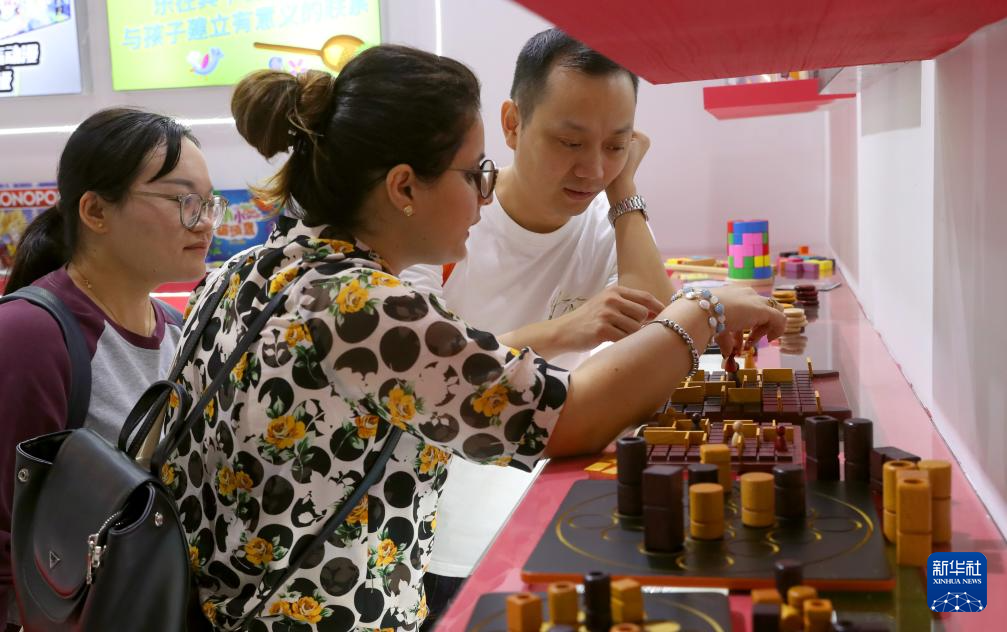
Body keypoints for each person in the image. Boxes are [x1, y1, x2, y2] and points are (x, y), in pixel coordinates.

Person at [166, 44, 784, 631]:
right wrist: (704, 309)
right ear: (405, 188)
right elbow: (564, 416)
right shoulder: (362, 307)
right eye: (473, 175)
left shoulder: (242, 273)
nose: (484, 197)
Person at [398, 28, 672, 619]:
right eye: (570, 141)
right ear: (513, 124)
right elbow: (421, 371)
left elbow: (661, 337)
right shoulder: (444, 222)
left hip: (548, 519)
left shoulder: (609, 221)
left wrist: (625, 187)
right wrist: (566, 330)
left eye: (616, 145)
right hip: (434, 540)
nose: (592, 168)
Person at [0, 108, 220, 630]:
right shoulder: (28, 334)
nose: (206, 221)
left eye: (209, 202)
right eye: (182, 200)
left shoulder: (181, 332)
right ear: (96, 211)